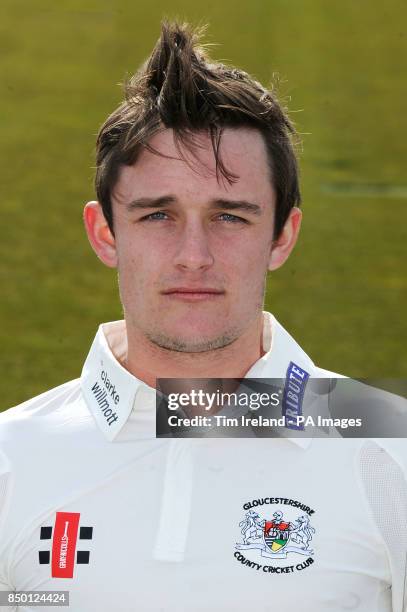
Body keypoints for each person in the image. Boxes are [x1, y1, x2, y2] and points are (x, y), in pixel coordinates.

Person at [0, 20, 406, 612]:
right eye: (157, 216)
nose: (194, 257)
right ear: (105, 233)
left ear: (282, 236)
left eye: (231, 217)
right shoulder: (11, 457)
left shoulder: (393, 448)